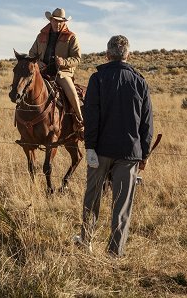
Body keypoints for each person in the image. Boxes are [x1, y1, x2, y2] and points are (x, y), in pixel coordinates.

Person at [75, 35, 153, 257]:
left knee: (92, 197)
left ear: (107, 54)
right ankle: (114, 252)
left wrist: (89, 147)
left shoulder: (98, 78)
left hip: (100, 149)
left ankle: (86, 241)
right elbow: (147, 122)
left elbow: (91, 115)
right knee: (122, 202)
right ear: (128, 54)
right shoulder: (140, 81)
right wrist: (144, 154)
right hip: (129, 153)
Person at [29, 7, 84, 136]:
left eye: (61, 21)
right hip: (42, 72)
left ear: (64, 22)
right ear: (51, 20)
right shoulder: (41, 35)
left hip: (61, 73)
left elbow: (77, 58)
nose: (58, 24)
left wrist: (64, 62)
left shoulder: (71, 37)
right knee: (25, 88)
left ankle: (80, 120)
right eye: (55, 21)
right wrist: (38, 62)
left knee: (72, 94)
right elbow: (32, 53)